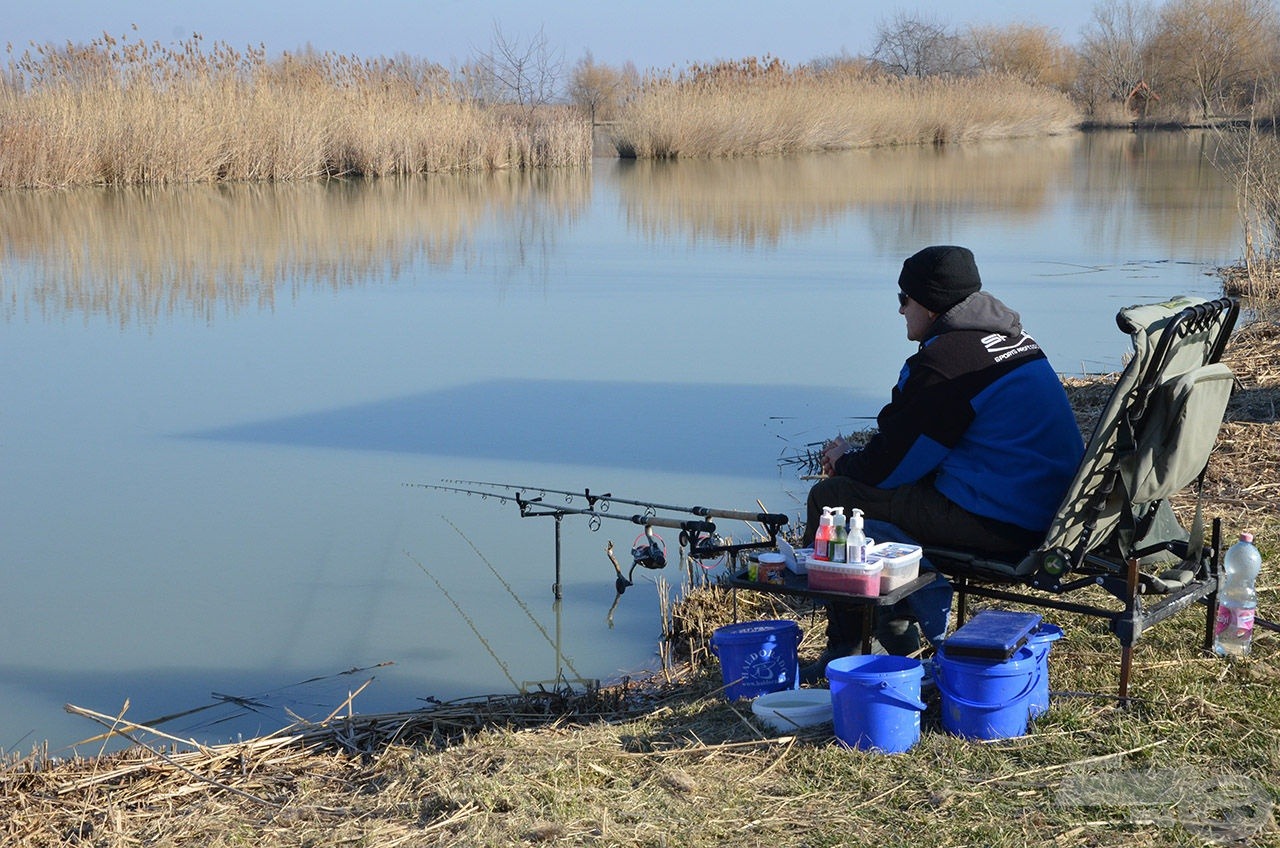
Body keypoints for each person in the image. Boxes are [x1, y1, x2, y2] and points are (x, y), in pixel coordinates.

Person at [800, 245, 1083, 678]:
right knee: (882, 497)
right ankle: (895, 627)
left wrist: (844, 460)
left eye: (904, 299)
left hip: (1004, 525)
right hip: (1056, 511)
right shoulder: (1015, 341)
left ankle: (845, 646)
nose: (900, 311)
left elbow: (891, 468)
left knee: (833, 499)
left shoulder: (945, 365)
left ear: (929, 305)